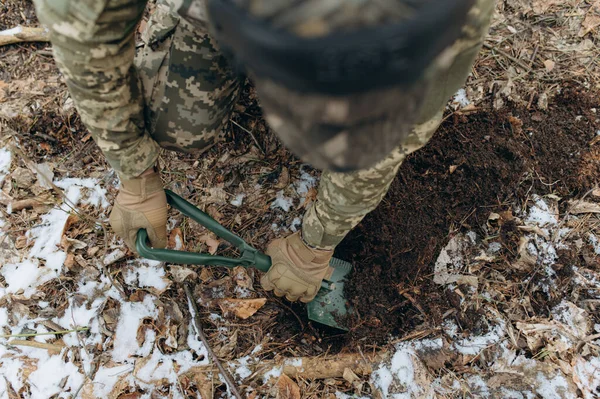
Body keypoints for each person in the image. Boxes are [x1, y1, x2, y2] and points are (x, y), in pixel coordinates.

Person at [33, 0, 493, 303]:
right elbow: (87, 47)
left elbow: (400, 136)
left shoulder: (452, 15)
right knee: (180, 128)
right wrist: (134, 172)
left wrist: (318, 243)